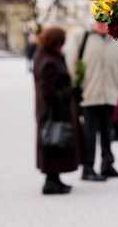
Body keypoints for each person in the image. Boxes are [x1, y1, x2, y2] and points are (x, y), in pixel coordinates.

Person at [66, 21, 118, 181]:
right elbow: (70, 64)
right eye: (99, 21)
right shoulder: (81, 38)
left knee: (107, 133)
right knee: (89, 135)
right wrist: (73, 91)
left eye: (105, 21)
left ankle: (107, 165)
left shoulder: (116, 40)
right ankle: (88, 169)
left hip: (109, 95)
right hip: (88, 96)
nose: (102, 24)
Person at [33, 26, 86, 194]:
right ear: (56, 43)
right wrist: (71, 92)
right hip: (54, 111)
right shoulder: (49, 61)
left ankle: (54, 179)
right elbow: (48, 92)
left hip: (51, 110)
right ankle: (50, 182)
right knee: (54, 141)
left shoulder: (44, 56)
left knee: (54, 142)